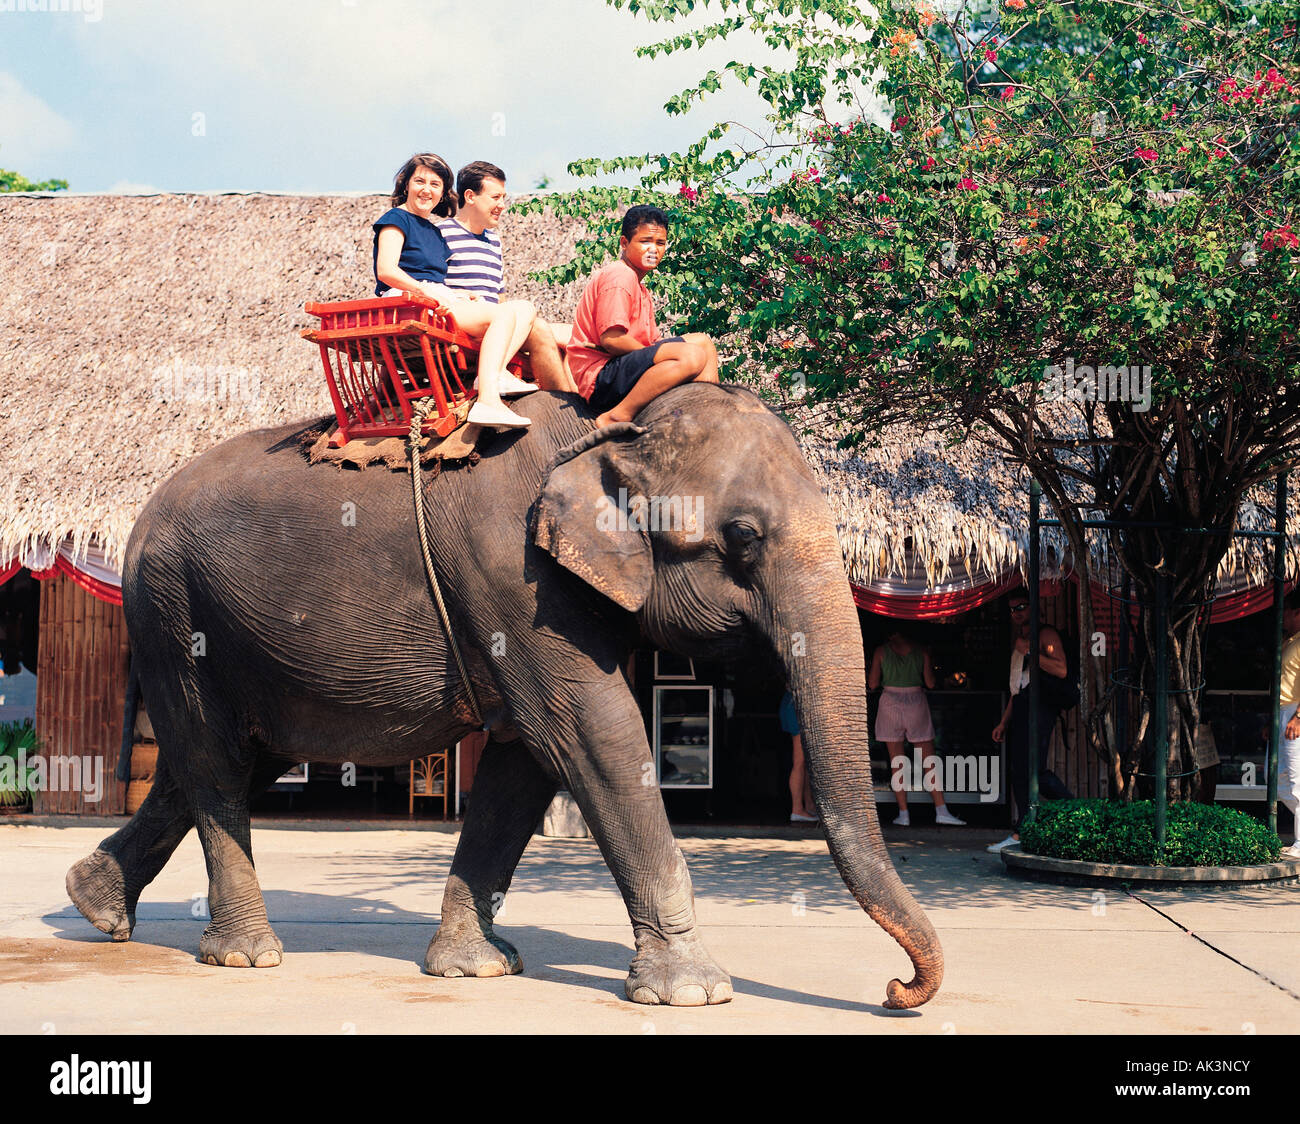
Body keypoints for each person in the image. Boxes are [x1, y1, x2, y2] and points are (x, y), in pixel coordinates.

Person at [372, 153, 537, 430]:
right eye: (420, 181)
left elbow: (436, 278)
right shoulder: (396, 218)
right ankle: (488, 399)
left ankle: (496, 373)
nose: (427, 189)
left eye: (435, 184)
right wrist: (425, 291)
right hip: (407, 302)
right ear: (406, 185)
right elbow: (386, 271)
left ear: (443, 192)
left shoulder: (433, 232)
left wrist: (459, 295)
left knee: (523, 309)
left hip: (430, 298)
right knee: (501, 316)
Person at [566, 204, 720, 427]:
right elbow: (612, 339)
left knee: (703, 343)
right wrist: (655, 355)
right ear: (624, 243)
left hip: (624, 364)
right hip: (601, 377)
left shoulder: (640, 286)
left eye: (660, 243)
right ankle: (617, 415)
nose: (654, 250)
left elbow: (651, 341)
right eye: (645, 241)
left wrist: (655, 352)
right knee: (691, 356)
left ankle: (707, 412)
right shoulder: (620, 276)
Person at [438, 160, 578, 393]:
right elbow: (430, 284)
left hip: (501, 324)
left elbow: (499, 296)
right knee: (541, 329)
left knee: (578, 336)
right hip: (468, 326)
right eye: (495, 197)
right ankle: (564, 402)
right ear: (470, 196)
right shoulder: (442, 234)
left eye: (504, 197)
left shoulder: (493, 241)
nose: (502, 205)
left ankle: (575, 403)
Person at [987, 593, 1075, 853]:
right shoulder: (1020, 640)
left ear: (1033, 608)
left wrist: (1030, 653)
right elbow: (1018, 688)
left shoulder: (1045, 635)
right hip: (1023, 704)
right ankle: (1022, 830)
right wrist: (1003, 722)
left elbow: (1061, 670)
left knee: (1033, 769)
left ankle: (1070, 806)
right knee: (1019, 770)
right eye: (1012, 608)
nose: (1016, 612)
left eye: (1022, 607)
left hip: (1041, 706)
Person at [868, 629, 965, 826]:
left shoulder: (881, 651)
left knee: (897, 763)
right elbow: (930, 683)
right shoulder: (921, 651)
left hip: (890, 703)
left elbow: (872, 683)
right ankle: (941, 810)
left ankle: (903, 814)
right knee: (929, 761)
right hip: (915, 702)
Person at [1276, 589, 1300, 858]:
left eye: (1285, 612)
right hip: (1282, 711)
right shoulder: (1290, 640)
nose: (1281, 618)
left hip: (1294, 710)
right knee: (1281, 782)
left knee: (1295, 780)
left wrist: (1298, 717)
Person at [779, 691, 817, 824]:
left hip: (789, 701)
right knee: (799, 762)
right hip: (796, 704)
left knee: (805, 761)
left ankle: (809, 805)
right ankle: (797, 809)